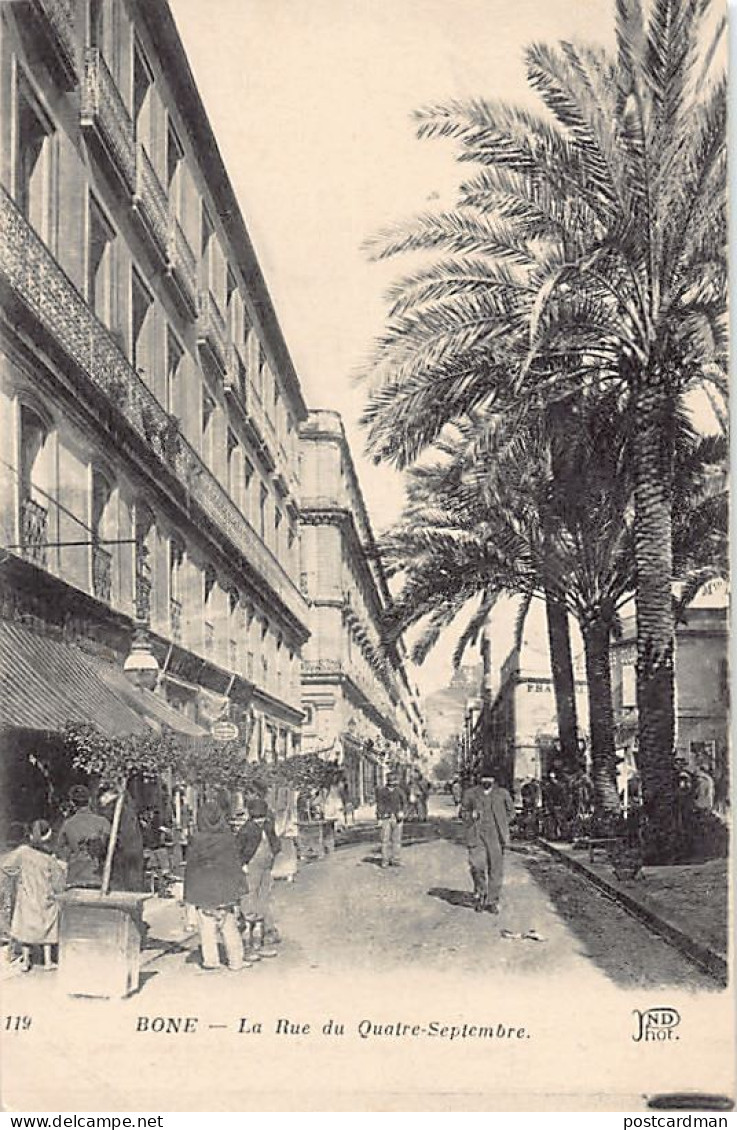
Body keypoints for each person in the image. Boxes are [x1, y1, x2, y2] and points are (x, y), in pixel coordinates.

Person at [184, 801, 248, 972]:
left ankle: (211, 960)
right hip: (225, 890)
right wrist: (239, 889)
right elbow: (235, 865)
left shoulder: (196, 840)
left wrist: (189, 894)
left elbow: (191, 868)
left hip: (204, 891)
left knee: (207, 928)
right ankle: (236, 961)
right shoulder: (228, 839)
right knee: (229, 927)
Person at [0, 821, 66, 971]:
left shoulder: (23, 852)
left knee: (25, 927)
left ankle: (26, 961)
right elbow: (58, 882)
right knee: (48, 926)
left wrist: (16, 875)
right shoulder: (50, 858)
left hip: (27, 895)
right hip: (45, 897)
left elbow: (6, 865)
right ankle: (48, 961)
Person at [461, 766, 514, 914]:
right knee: (476, 866)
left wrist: (503, 823)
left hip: (496, 836)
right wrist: (470, 815)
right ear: (480, 779)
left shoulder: (502, 794)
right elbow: (462, 812)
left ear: (494, 779)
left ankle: (493, 900)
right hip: (476, 835)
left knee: (495, 869)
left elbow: (511, 812)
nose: (487, 781)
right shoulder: (470, 794)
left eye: (490, 778)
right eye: (484, 778)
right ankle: (481, 893)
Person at [236, 797, 281, 958]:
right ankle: (247, 945)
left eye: (262, 817)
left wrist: (273, 854)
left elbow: (275, 842)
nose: (260, 821)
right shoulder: (246, 830)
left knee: (263, 899)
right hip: (251, 867)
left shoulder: (268, 826)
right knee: (249, 900)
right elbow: (238, 850)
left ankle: (260, 941)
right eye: (257, 818)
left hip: (266, 867)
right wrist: (243, 864)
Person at [56, 785, 111, 889]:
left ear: (72, 803)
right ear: (89, 800)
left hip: (74, 879)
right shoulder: (103, 823)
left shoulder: (67, 825)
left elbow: (60, 853)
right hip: (98, 879)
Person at [99, 787, 145, 892]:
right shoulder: (128, 809)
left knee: (123, 882)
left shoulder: (114, 810)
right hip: (133, 849)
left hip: (123, 850)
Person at [375, 772, 407, 869]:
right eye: (390, 781)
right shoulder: (382, 791)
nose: (392, 784)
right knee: (385, 840)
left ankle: (396, 859)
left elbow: (405, 803)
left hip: (397, 818)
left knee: (397, 840)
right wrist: (379, 818)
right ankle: (385, 860)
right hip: (386, 817)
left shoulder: (400, 791)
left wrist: (403, 812)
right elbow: (379, 805)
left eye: (394, 781)